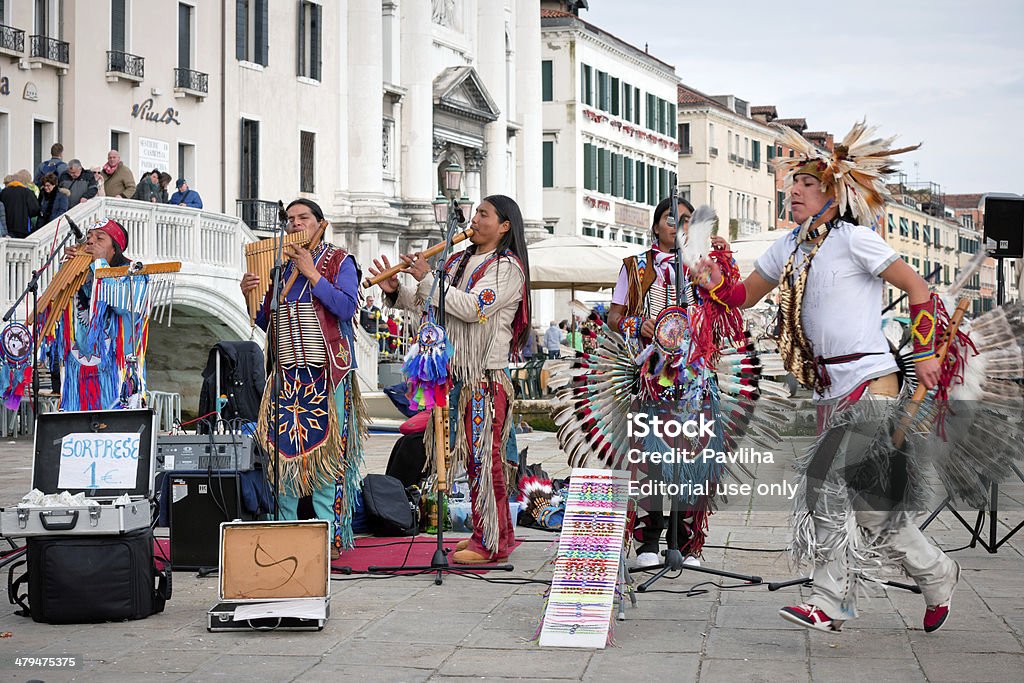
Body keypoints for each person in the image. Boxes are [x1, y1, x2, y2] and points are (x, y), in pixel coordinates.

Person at [695, 120, 958, 634]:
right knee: (872, 509)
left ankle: (830, 599)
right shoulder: (787, 247)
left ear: (834, 195)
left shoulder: (855, 240)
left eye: (807, 185)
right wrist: (713, 282)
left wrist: (926, 352)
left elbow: (919, 286)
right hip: (833, 390)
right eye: (792, 183)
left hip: (872, 383)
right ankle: (937, 572)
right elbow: (743, 297)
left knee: (824, 482)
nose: (793, 190)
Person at [369, 195, 531, 564]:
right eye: (475, 213)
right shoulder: (457, 261)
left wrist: (428, 277)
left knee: (484, 460)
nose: (474, 219)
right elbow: (433, 303)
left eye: (483, 214)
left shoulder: (507, 269)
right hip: (453, 375)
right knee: (467, 459)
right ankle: (488, 532)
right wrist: (397, 290)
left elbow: (474, 308)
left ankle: (490, 541)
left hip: (483, 378)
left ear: (504, 225)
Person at [605, 197, 733, 569]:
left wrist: (722, 259)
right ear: (656, 226)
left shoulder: (703, 265)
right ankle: (649, 540)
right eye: (670, 219)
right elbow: (614, 316)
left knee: (693, 458)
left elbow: (727, 302)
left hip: (696, 374)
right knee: (653, 459)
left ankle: (682, 541)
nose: (677, 226)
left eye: (686, 220)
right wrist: (636, 324)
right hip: (653, 373)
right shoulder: (635, 267)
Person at [240, 199, 363, 559]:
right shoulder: (278, 270)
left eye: (302, 218)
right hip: (288, 375)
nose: (294, 225)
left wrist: (312, 274)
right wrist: (249, 295)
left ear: (320, 223)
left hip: (327, 372)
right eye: (290, 220)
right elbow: (268, 322)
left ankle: (330, 536)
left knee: (329, 457)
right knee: (284, 456)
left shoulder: (340, 261)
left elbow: (346, 307)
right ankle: (286, 528)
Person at [46, 219, 149, 410]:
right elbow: (59, 309)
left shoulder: (136, 272)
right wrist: (67, 270)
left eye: (100, 238)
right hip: (78, 373)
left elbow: (121, 306)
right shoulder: (83, 270)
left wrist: (100, 263)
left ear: (114, 249)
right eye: (89, 237)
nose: (91, 242)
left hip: (116, 373)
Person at [0, 172, 40, 238]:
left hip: (8, 227)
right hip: (23, 227)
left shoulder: (4, 192)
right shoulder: (27, 192)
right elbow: (35, 209)